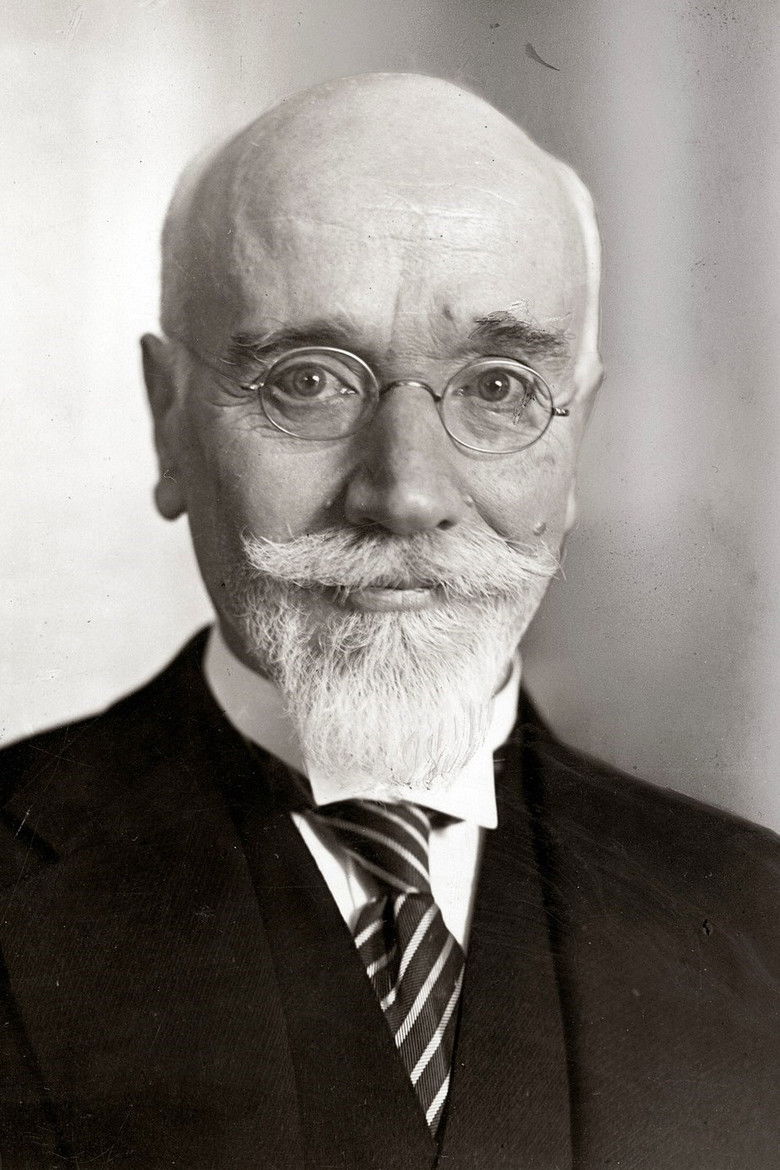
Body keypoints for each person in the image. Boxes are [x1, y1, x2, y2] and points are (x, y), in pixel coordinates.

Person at [0, 73, 776, 1170]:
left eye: (499, 388)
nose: (405, 493)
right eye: (310, 381)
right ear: (169, 421)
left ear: (577, 442)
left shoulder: (755, 922)